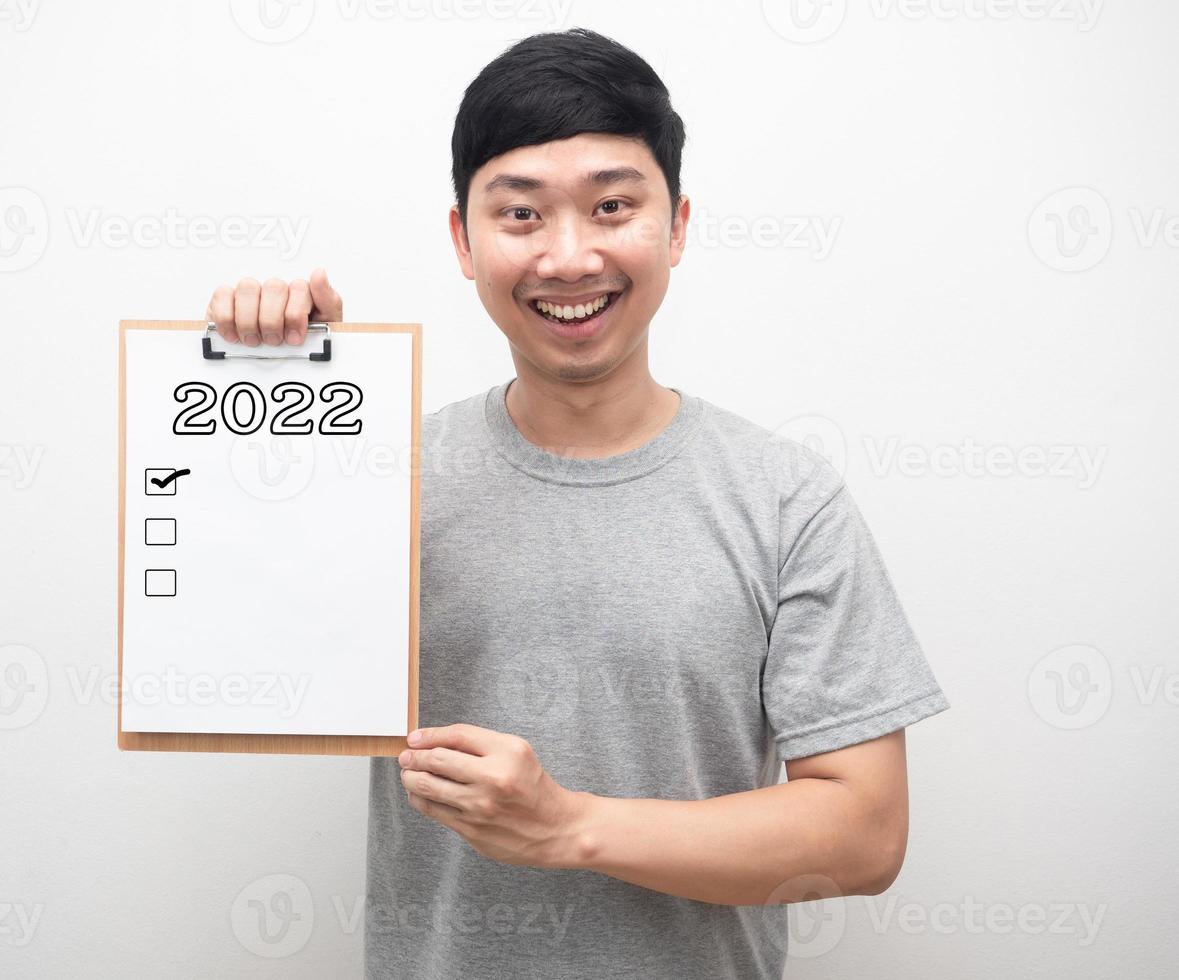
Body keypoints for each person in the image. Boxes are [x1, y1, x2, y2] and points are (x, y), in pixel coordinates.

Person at [204, 26, 950, 980]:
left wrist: (571, 828)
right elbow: (243, 659)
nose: (568, 256)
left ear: (676, 225)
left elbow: (862, 833)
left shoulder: (784, 499)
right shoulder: (380, 476)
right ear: (462, 240)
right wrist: (295, 411)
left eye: (611, 206)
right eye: (520, 214)